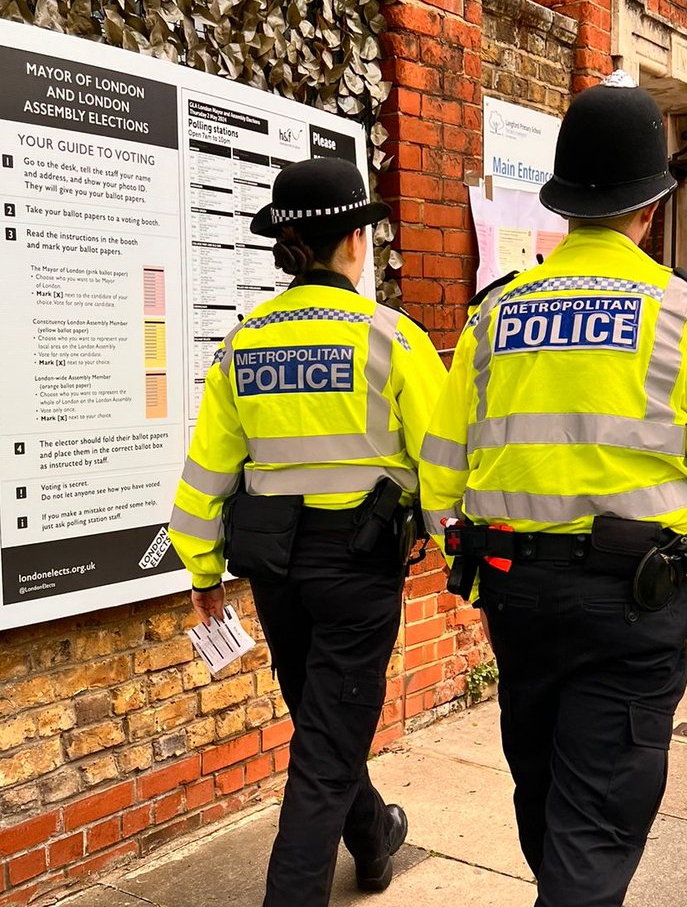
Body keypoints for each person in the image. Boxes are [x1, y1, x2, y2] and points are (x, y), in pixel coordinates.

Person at [419, 76, 687, 907]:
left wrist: (478, 559)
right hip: (634, 603)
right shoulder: (685, 319)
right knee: (593, 834)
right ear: (652, 206)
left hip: (517, 598)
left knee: (546, 808)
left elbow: (440, 475)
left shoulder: (492, 318)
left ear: (563, 207)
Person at [168, 157, 447, 907]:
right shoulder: (392, 338)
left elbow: (206, 473)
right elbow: (447, 466)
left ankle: (374, 838)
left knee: (325, 725)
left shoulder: (243, 343)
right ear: (356, 240)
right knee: (325, 748)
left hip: (276, 568)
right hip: (358, 569)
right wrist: (463, 558)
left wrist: (202, 575)